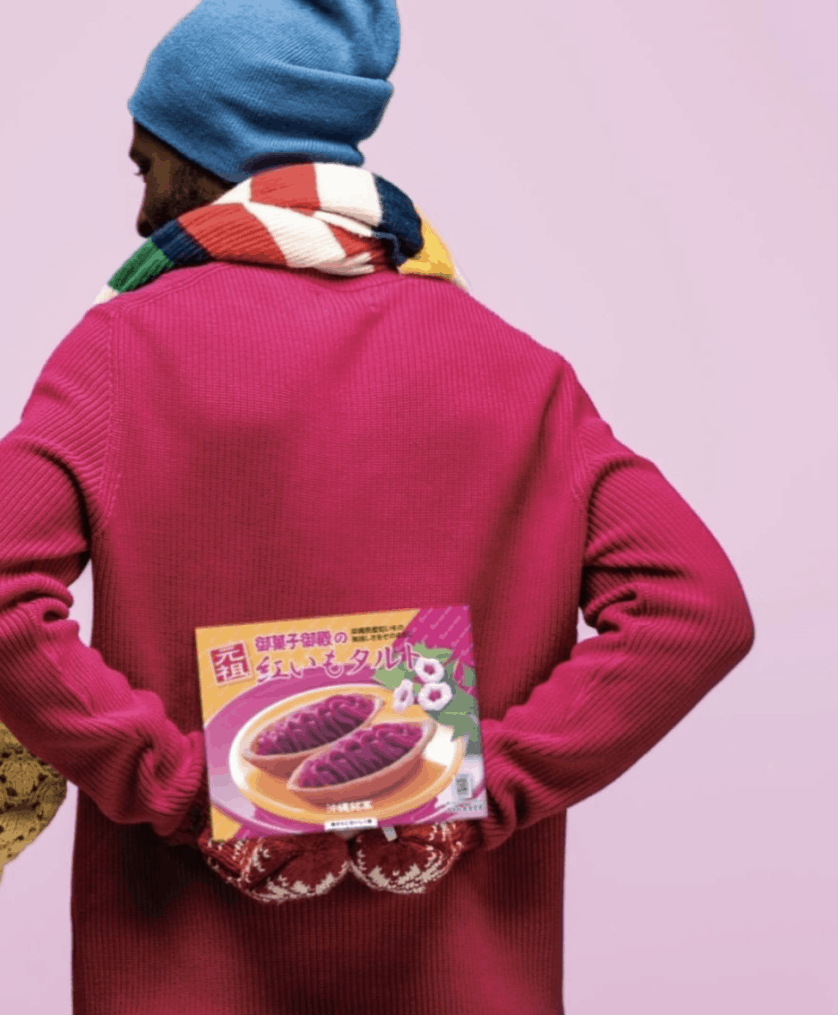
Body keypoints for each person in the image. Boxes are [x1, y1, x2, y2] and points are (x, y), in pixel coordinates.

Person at [0, 0, 755, 1011]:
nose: (144, 216)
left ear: (211, 156)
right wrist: (481, 792)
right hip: (464, 975)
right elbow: (693, 606)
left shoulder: (119, 352)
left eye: (149, 167)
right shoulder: (516, 371)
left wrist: (186, 787)